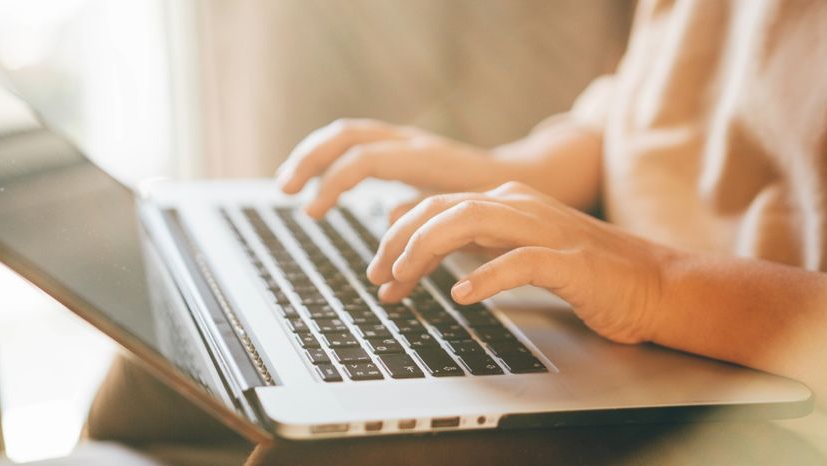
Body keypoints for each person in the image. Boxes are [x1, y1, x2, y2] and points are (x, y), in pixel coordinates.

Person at [86, 0, 827, 464]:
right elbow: (646, 97)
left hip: (782, 394)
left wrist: (658, 284)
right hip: (609, 312)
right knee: (164, 350)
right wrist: (509, 171)